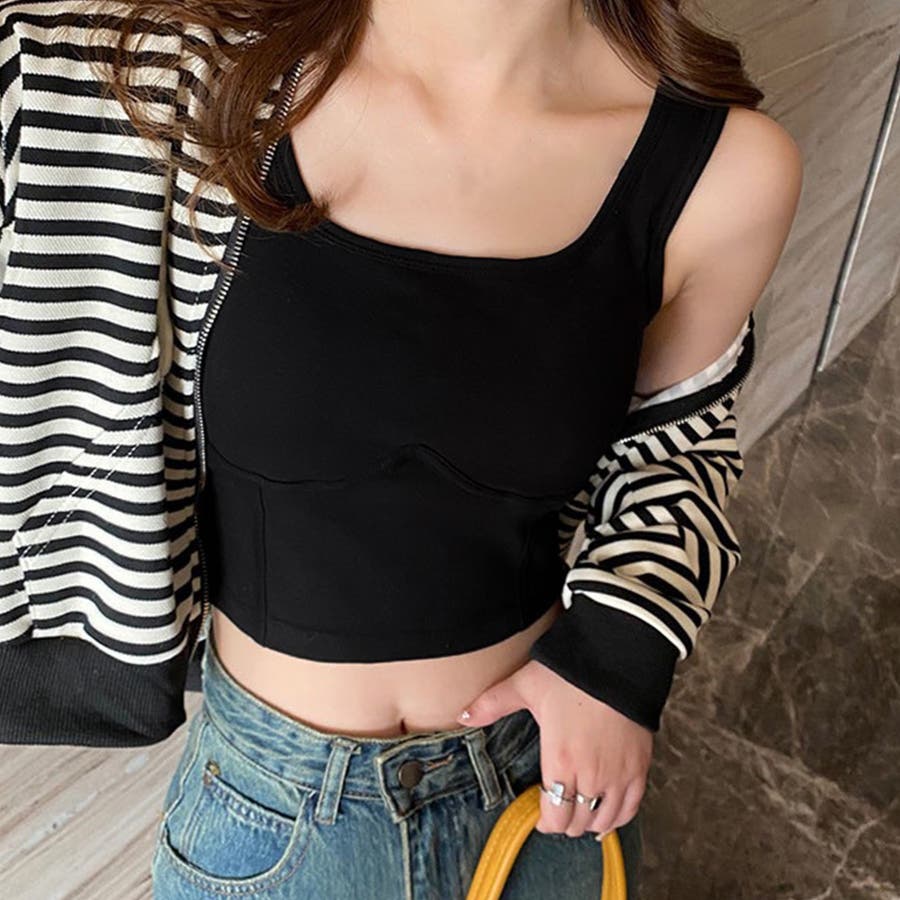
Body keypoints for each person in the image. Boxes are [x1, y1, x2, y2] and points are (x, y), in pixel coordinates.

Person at [0, 0, 802, 897]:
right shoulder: (181, 88)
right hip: (269, 822)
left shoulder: (724, 170)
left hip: (542, 799)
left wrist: (619, 658)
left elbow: (679, 444)